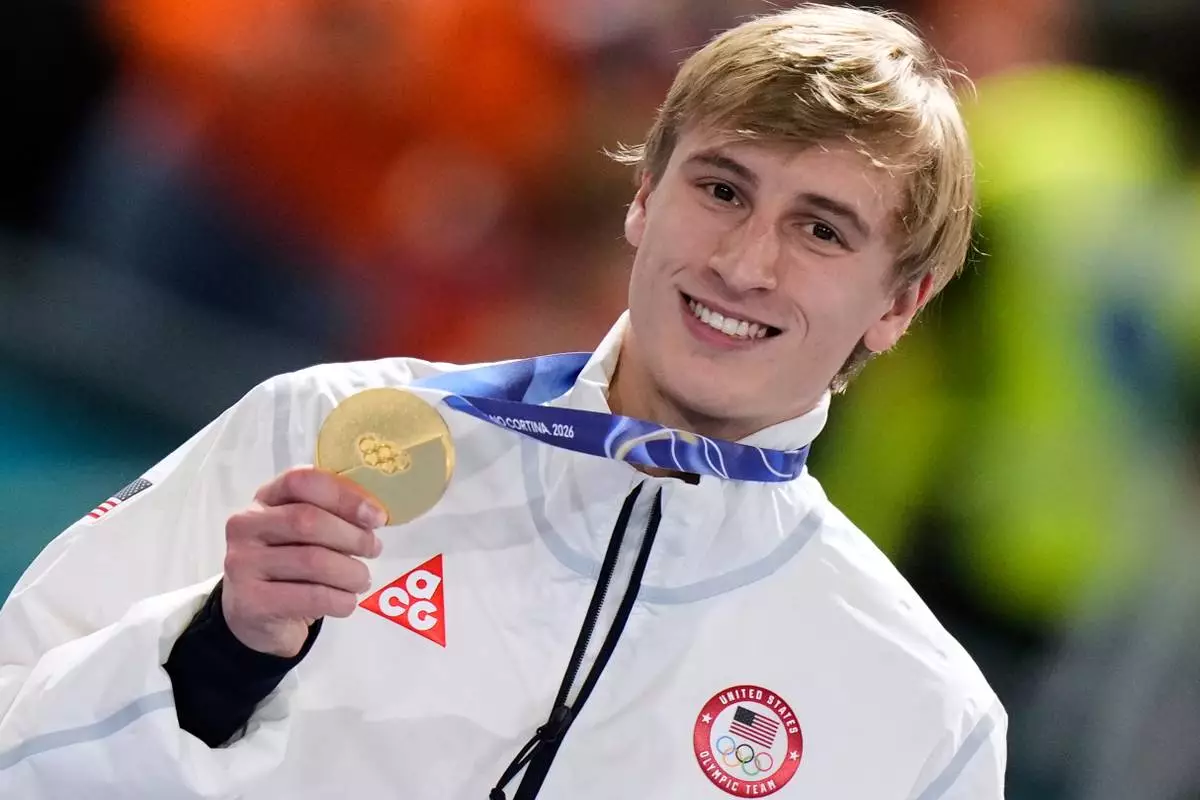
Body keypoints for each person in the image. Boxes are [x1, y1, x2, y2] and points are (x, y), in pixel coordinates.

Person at [0, 4, 1006, 798]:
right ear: (645, 199)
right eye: (723, 190)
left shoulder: (921, 714)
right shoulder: (319, 432)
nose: (746, 262)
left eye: (822, 230)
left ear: (900, 303)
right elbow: (17, 736)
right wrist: (220, 646)